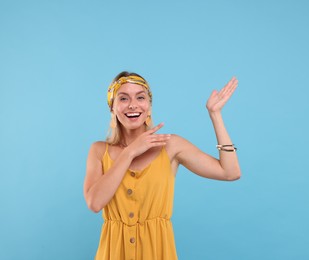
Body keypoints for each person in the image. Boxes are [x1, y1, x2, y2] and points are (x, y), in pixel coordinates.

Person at [83, 71, 241, 260]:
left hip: (158, 252)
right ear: (112, 108)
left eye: (140, 97)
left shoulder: (171, 145)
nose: (133, 104)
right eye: (123, 98)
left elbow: (230, 172)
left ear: (149, 107)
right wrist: (130, 152)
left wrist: (215, 115)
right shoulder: (99, 151)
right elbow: (94, 203)